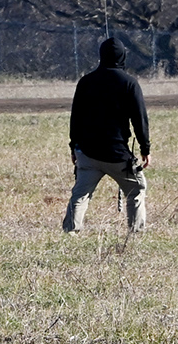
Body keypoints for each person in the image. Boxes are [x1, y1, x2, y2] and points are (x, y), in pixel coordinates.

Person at [62, 37, 150, 234]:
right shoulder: (130, 83)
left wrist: (74, 147)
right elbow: (140, 119)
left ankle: (71, 232)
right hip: (118, 155)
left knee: (80, 195)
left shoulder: (85, 82)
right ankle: (135, 233)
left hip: (88, 153)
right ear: (123, 56)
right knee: (136, 190)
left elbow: (76, 117)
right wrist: (145, 148)